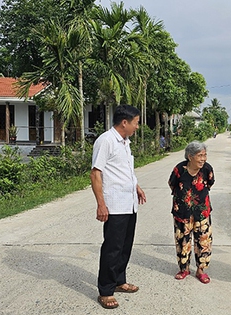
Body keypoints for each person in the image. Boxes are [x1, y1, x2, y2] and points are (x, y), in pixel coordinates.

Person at [90, 104, 147, 309]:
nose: (137, 127)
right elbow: (96, 173)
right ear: (125, 122)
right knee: (112, 248)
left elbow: (124, 171)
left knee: (125, 246)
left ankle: (119, 280)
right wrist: (101, 204)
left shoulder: (125, 142)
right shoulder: (106, 141)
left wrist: (137, 187)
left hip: (129, 203)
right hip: (114, 205)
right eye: (136, 123)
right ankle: (105, 290)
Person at [168, 141, 215, 284]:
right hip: (182, 212)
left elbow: (210, 183)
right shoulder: (179, 169)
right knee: (183, 240)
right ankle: (184, 269)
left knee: (203, 240)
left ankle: (201, 270)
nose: (203, 159)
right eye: (200, 155)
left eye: (205, 155)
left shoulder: (207, 169)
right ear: (190, 156)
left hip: (202, 211)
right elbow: (172, 183)